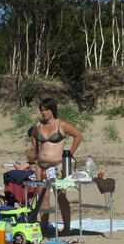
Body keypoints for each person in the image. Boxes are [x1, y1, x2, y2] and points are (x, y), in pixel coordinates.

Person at [29, 97, 83, 235]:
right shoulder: (38, 125)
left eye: (46, 109)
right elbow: (34, 136)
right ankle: (44, 226)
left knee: (60, 196)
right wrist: (37, 151)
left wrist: (69, 153)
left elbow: (78, 135)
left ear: (52, 110)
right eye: (41, 110)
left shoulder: (61, 124)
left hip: (57, 165)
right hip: (41, 165)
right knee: (42, 196)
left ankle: (66, 228)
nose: (43, 112)